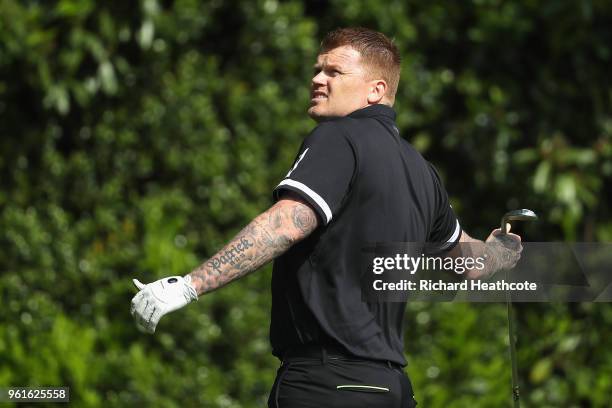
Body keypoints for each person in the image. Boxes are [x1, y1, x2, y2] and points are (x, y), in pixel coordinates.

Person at [130, 27, 522, 408]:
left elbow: (286, 224)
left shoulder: (338, 138)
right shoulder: (423, 170)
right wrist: (499, 253)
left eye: (335, 72)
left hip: (324, 385)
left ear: (376, 90)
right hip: (390, 389)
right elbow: (467, 263)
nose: (318, 79)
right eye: (318, 69)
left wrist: (187, 286)